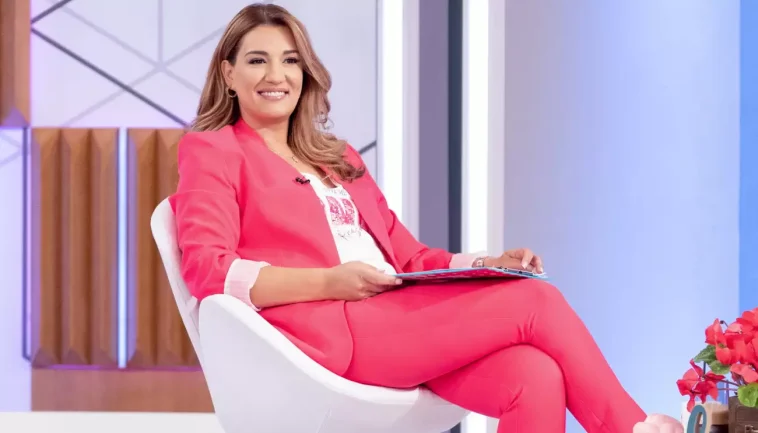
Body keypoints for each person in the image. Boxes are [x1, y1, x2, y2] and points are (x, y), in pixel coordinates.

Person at [171, 3, 683, 432]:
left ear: (305, 73)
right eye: (257, 61)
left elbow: (409, 256)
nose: (276, 75)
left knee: (535, 374)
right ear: (229, 74)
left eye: (290, 60)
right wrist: (330, 281)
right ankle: (630, 427)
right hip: (328, 335)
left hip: (399, 320)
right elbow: (208, 270)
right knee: (536, 301)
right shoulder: (213, 151)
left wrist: (487, 262)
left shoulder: (338, 157)